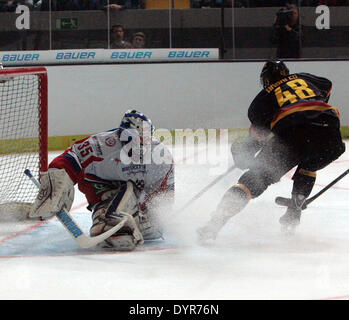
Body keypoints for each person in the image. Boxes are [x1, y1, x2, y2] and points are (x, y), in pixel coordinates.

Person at [197, 60, 345, 240]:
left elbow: (255, 141)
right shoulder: (308, 78)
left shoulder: (260, 101)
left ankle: (214, 223)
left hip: (293, 136)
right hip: (330, 135)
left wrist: (241, 154)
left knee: (252, 180)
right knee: (310, 159)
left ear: (266, 80)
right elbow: (327, 86)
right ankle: (295, 206)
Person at [29, 110, 175, 251]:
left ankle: (123, 219)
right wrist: (57, 181)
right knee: (109, 218)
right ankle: (107, 217)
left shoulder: (160, 157)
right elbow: (69, 158)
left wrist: (150, 213)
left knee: (152, 225)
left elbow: (163, 193)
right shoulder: (102, 144)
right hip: (101, 185)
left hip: (136, 191)